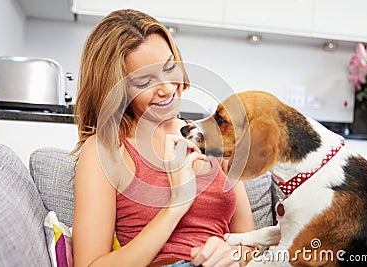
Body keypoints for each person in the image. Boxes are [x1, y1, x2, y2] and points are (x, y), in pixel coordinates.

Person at [72, 9, 256, 267]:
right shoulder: (106, 150)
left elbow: (251, 244)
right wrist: (177, 203)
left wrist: (233, 254)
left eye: (170, 68)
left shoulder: (214, 137)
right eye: (145, 81)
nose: (168, 88)